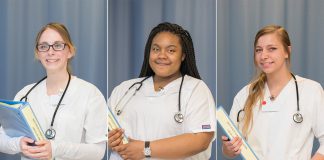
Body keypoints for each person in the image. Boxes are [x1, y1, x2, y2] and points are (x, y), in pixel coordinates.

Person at [108, 22, 216, 159]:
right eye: (156, 49)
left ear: (183, 55)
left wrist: (145, 149)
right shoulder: (125, 89)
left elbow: (201, 140)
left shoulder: (196, 89)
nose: (161, 55)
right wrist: (109, 140)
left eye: (171, 50)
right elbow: (100, 132)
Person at [0, 22, 107, 160]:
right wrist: (18, 144)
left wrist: (56, 149)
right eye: (44, 46)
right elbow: (2, 137)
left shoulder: (90, 94)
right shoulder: (25, 94)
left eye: (57, 45)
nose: (50, 52)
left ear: (70, 51)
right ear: (38, 53)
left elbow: (98, 151)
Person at [222, 24, 324, 159]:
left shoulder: (311, 91)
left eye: (272, 49)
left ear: (287, 51)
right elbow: (229, 149)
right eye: (259, 50)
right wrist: (228, 148)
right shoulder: (245, 94)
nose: (264, 55)